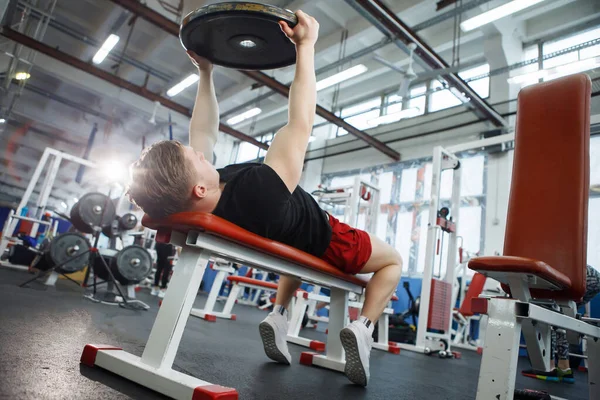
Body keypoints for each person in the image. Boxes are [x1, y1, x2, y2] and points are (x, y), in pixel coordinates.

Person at [127, 10, 402, 387]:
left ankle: (279, 313)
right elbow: (300, 122)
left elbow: (203, 128)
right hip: (328, 239)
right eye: (197, 158)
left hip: (291, 239)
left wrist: (205, 73)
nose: (202, 153)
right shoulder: (259, 191)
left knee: (295, 249)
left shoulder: (208, 197)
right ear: (198, 189)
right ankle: (364, 328)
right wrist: (305, 47)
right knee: (392, 261)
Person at [522, 265, 600, 383]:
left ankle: (549, 367)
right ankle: (564, 368)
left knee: (552, 317)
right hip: (593, 278)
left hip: (578, 277)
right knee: (562, 317)